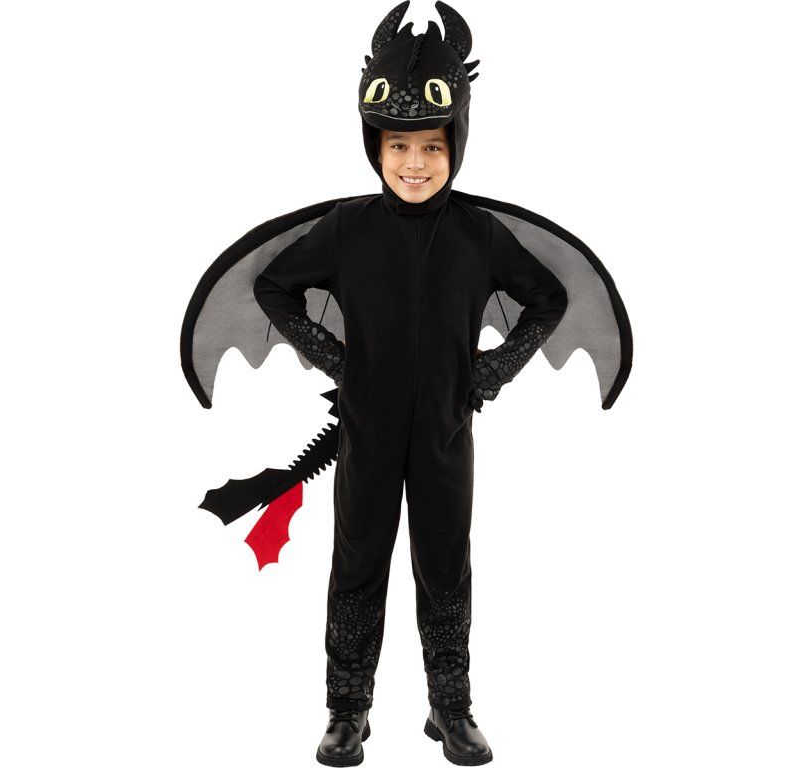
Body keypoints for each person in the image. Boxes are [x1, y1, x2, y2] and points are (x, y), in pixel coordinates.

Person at [252, 3, 567, 765]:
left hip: (445, 436)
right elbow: (271, 286)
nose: (415, 163)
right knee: (358, 563)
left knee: (445, 564)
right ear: (376, 147)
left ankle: (449, 706)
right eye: (399, 146)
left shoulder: (479, 234)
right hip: (366, 431)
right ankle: (347, 709)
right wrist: (335, 358)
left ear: (456, 143)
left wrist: (493, 368)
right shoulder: (347, 227)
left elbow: (551, 299)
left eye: (431, 145)